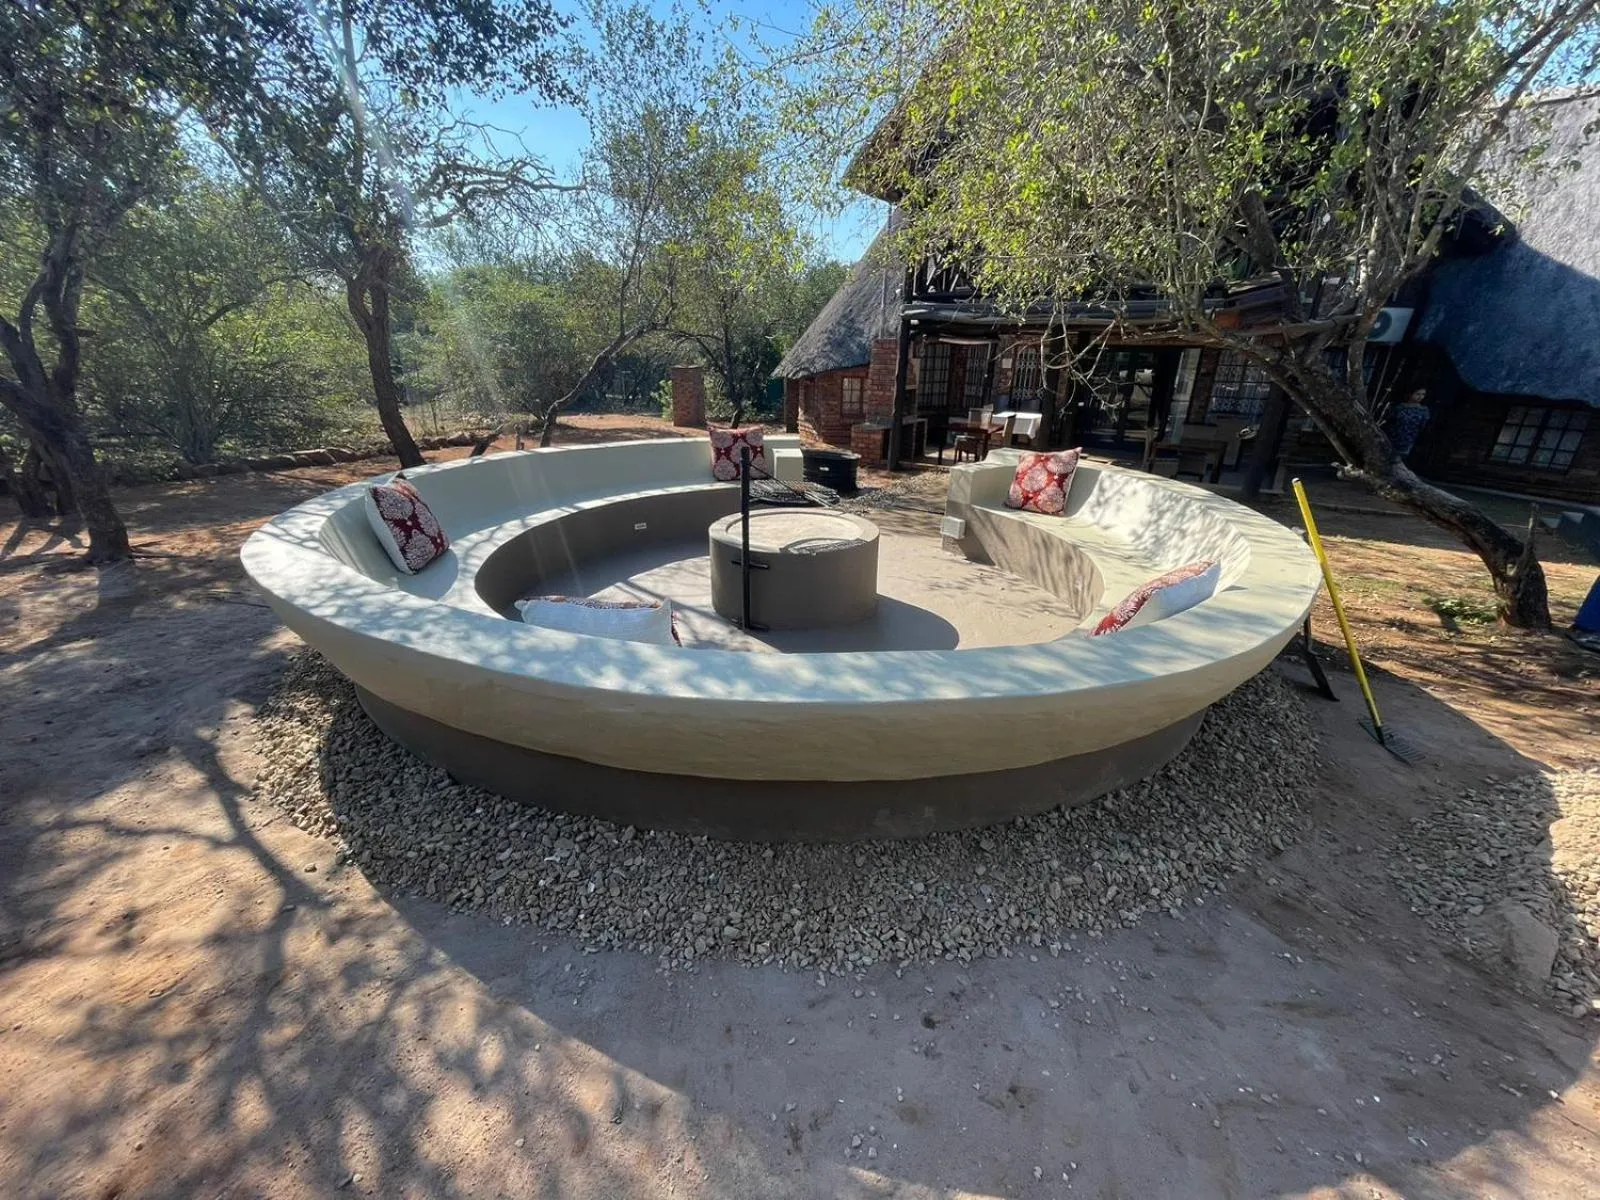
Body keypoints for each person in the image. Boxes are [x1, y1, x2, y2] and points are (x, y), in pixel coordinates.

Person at [1388, 388, 1431, 457]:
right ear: (1410, 394)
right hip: (1392, 440)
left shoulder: (1424, 411)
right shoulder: (1399, 407)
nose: (1420, 397)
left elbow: (1423, 427)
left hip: (1408, 442)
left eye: (1423, 394)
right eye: (1418, 394)